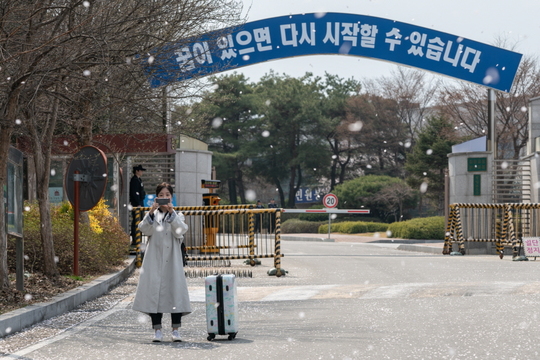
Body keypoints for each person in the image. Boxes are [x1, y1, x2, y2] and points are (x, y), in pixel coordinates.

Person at [132, 182, 191, 342]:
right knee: (154, 294)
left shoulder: (178, 216)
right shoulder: (152, 215)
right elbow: (144, 229)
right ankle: (157, 330)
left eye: (167, 195)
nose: (164, 198)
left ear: (172, 197)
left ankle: (175, 330)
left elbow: (180, 231)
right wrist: (151, 211)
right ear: (157, 197)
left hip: (172, 260)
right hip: (154, 260)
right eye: (162, 195)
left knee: (174, 293)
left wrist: (171, 212)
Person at [129, 165, 146, 245]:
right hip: (136, 204)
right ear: (137, 171)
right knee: (136, 221)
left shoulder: (139, 180)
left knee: (140, 220)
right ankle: (135, 239)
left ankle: (138, 238)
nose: (142, 172)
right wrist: (138, 203)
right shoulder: (134, 180)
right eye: (141, 170)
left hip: (140, 202)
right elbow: (135, 193)